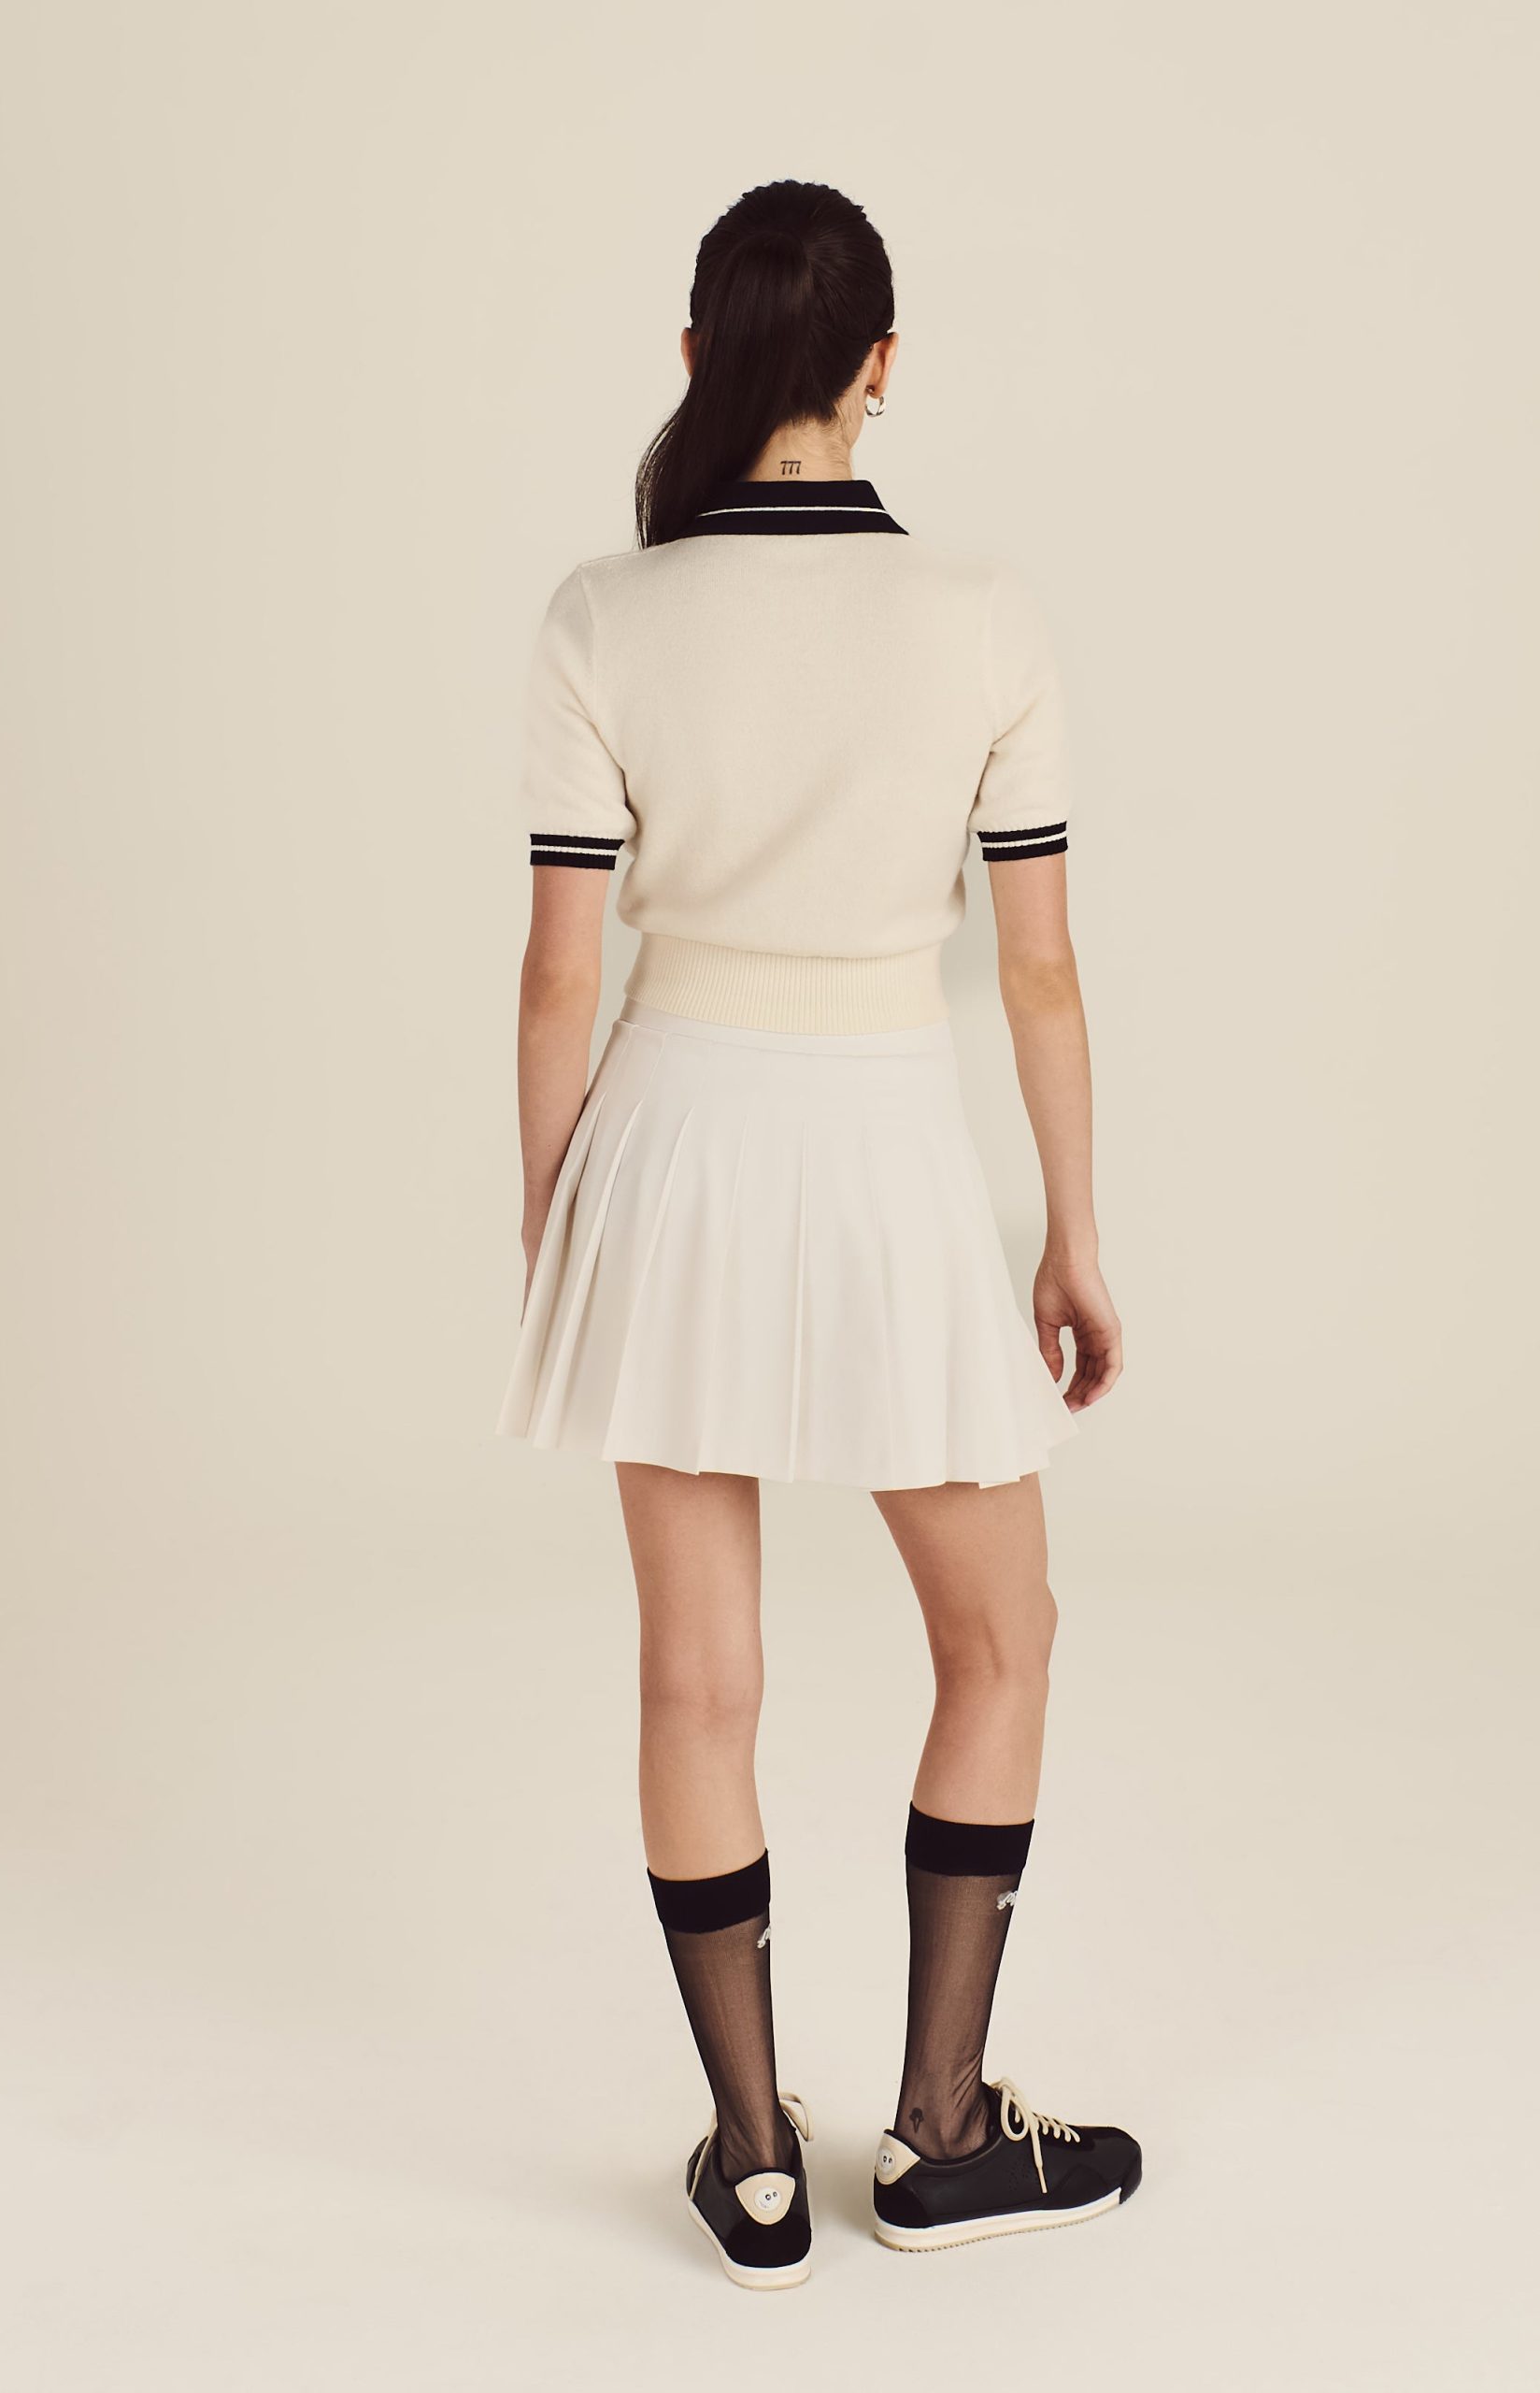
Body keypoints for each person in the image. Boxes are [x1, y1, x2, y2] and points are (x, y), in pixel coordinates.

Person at [498, 178, 1141, 2288]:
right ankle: (940, 2133)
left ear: (697, 358)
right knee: (1003, 1640)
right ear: (881, 364)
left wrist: (558, 1233)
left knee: (699, 1678)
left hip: (666, 1146)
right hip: (883, 1152)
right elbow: (1038, 973)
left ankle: (758, 2156)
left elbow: (557, 978)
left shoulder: (604, 613)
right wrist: (1071, 1231)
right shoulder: (983, 612)